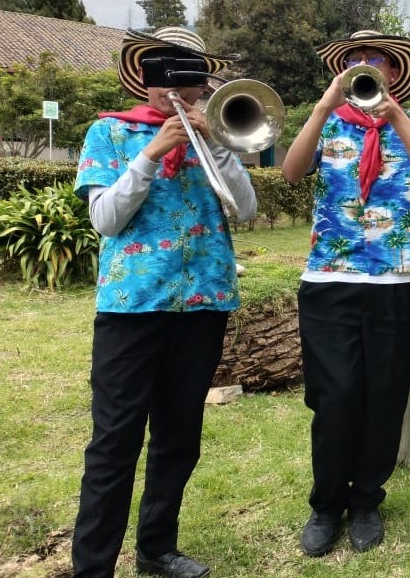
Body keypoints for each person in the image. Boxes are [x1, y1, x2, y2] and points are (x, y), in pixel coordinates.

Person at [70, 26, 257, 578]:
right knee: (115, 440)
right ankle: (93, 567)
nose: (178, 84)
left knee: (179, 435)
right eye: (165, 70)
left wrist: (217, 146)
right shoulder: (109, 133)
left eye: (190, 72)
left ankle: (157, 548)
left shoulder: (217, 135)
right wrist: (152, 152)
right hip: (133, 305)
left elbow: (245, 211)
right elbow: (105, 219)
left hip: (203, 303)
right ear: (144, 76)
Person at [281, 30, 410, 556]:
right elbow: (289, 171)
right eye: (354, 61)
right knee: (335, 397)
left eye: (376, 61)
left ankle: (368, 500)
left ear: (394, 73)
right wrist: (323, 105)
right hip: (330, 278)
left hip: (397, 282)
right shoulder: (328, 120)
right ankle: (326, 505)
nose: (365, 68)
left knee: (384, 396)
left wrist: (395, 116)